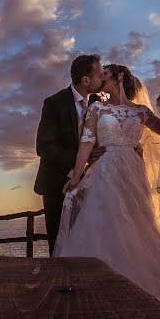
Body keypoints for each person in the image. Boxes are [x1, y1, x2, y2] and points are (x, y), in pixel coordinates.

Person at [55, 64, 160, 316]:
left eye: (105, 75)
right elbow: (86, 144)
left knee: (137, 224)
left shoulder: (141, 112)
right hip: (105, 169)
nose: (101, 79)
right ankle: (97, 293)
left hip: (133, 171)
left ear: (119, 78)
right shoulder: (97, 108)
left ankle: (145, 292)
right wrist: (76, 176)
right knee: (104, 220)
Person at [33, 54, 104, 256]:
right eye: (99, 75)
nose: (102, 79)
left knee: (83, 239)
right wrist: (82, 158)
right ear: (85, 80)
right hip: (56, 183)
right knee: (58, 242)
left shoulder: (96, 103)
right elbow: (44, 146)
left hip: (87, 183)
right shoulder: (54, 103)